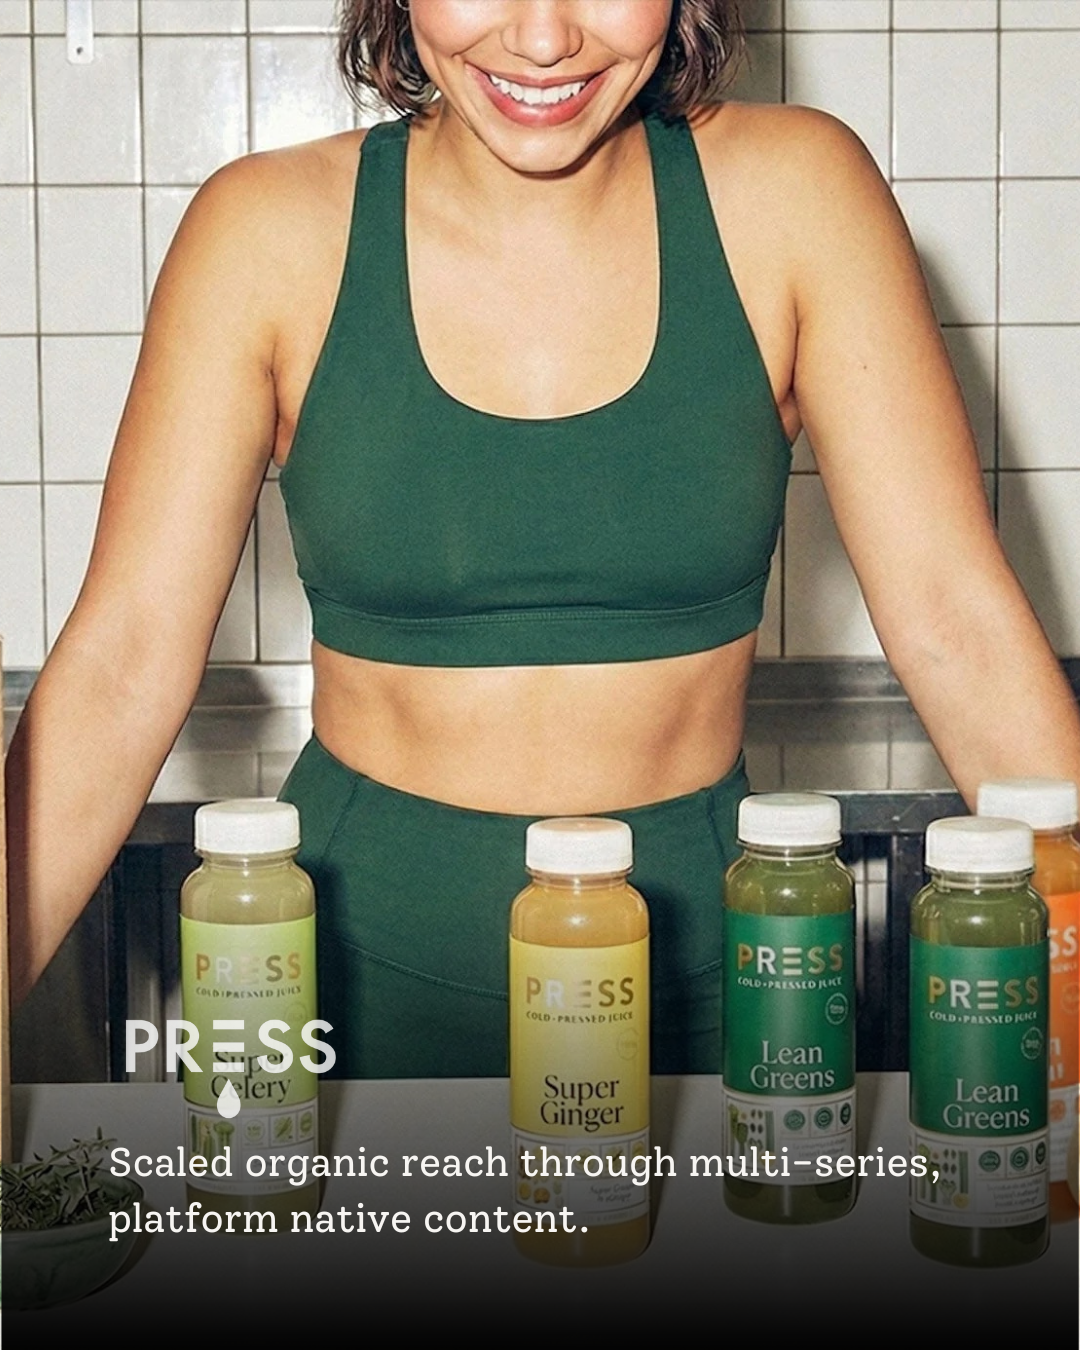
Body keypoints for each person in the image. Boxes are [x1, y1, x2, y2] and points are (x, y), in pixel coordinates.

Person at [6, 0, 1080, 1076]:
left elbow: (957, 627)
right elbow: (122, 664)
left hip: (719, 996)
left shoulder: (800, 197)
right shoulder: (263, 231)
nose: (542, 38)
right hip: (327, 990)